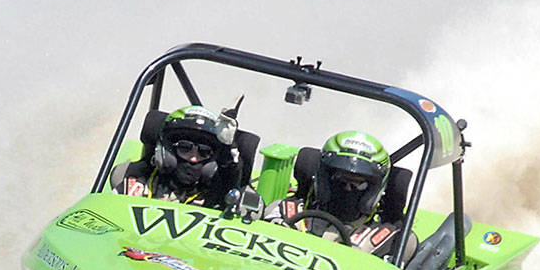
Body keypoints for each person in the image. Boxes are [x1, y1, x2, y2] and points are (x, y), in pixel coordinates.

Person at [264, 130, 401, 257]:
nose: (348, 189)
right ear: (322, 178)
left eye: (358, 184)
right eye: (339, 179)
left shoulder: (389, 242)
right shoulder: (285, 213)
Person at [110, 106, 240, 207]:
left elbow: (230, 181)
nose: (193, 158)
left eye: (204, 152)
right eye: (185, 147)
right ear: (168, 150)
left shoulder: (215, 196)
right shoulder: (135, 185)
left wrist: (229, 154)